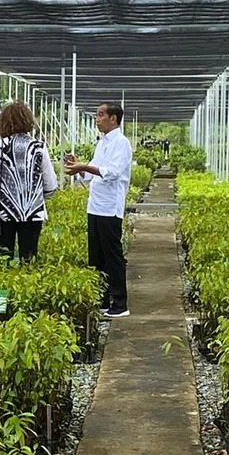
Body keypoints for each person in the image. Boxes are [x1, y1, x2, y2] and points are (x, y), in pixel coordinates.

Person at [64, 102, 132, 318]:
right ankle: (102, 300)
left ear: (113, 118)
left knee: (113, 255)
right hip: (95, 206)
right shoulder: (102, 143)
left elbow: (112, 172)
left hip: (110, 207)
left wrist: (83, 167)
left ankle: (120, 302)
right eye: (97, 115)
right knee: (96, 256)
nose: (97, 119)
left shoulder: (121, 143)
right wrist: (79, 167)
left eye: (101, 115)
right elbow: (93, 173)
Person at [0, 101, 57, 262]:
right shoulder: (39, 147)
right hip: (33, 210)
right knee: (29, 257)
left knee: (4, 256)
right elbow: (50, 183)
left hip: (4, 210)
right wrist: (41, 195)